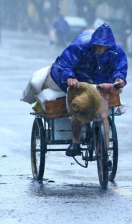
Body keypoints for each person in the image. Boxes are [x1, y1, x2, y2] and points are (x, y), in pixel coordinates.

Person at [48, 23, 127, 156]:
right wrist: (70, 77)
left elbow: (120, 68)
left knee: (105, 111)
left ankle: (102, 144)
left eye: (104, 47)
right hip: (79, 80)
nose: (101, 49)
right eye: (98, 46)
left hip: (101, 81)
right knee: (79, 110)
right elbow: (65, 64)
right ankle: (76, 141)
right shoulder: (80, 47)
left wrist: (119, 79)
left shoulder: (116, 51)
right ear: (93, 42)